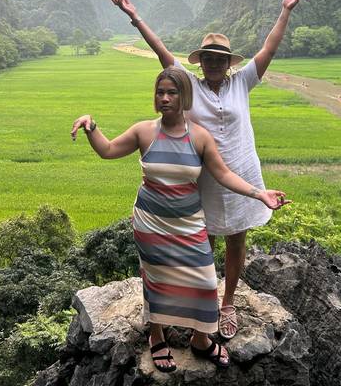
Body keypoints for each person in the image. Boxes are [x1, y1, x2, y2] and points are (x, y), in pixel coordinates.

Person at [111, 0, 308, 339]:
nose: (215, 63)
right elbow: (163, 55)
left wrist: (286, 11)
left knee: (236, 239)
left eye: (221, 58)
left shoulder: (243, 82)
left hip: (242, 171)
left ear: (228, 63)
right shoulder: (190, 87)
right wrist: (135, 17)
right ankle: (201, 301)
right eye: (209, 58)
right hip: (203, 176)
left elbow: (269, 48)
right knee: (203, 243)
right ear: (200, 62)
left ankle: (228, 302)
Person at [71, 67, 289, 373]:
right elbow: (107, 150)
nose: (165, 98)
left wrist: (259, 193)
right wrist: (91, 126)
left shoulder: (199, 137)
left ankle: (201, 339)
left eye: (172, 92)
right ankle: (156, 335)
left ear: (184, 96)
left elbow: (224, 174)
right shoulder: (144, 131)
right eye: (160, 92)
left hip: (188, 222)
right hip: (151, 222)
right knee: (156, 279)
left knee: (204, 280)